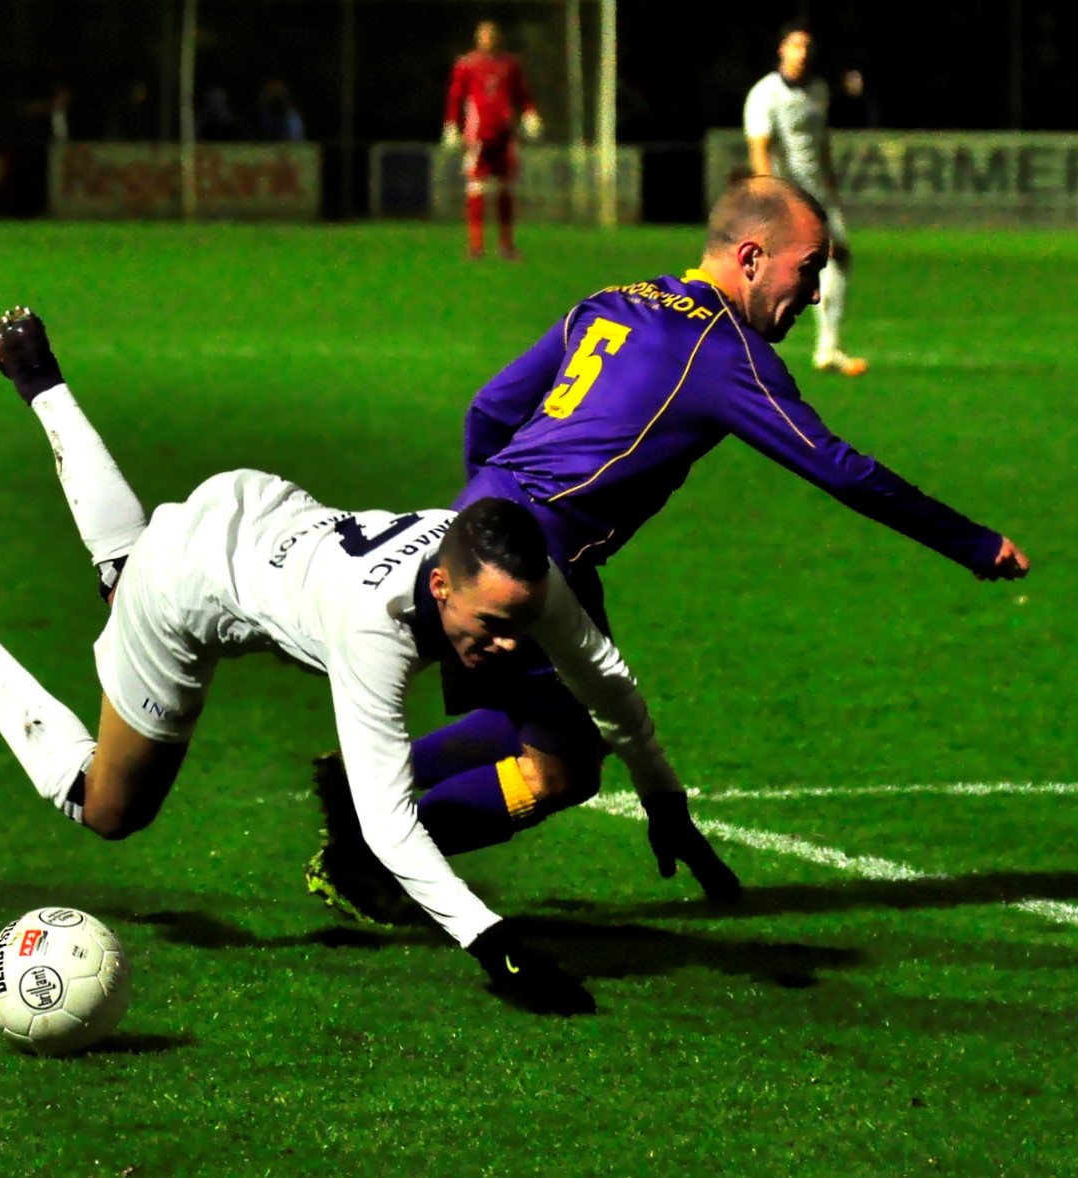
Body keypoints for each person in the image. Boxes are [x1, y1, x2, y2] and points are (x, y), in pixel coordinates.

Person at [0, 309, 711, 1015]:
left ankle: (37, 378)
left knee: (126, 561)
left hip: (255, 509)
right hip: (188, 591)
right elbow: (385, 820)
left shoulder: (516, 578)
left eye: (520, 625)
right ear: (444, 582)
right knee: (108, 806)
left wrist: (662, 793)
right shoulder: (373, 630)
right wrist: (495, 946)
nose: (506, 644)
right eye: (493, 625)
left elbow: (604, 678)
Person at [307, 175, 1030, 919]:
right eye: (808, 269)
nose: (814, 293)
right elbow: (840, 469)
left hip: (494, 525)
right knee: (565, 770)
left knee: (561, 710)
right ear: (752, 256)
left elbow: (490, 407)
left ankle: (352, 782)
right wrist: (970, 542)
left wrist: (480, 535)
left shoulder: (616, 299)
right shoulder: (724, 349)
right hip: (541, 551)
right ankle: (367, 851)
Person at [744, 20, 866, 377]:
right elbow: (760, 150)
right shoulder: (765, 94)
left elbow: (820, 141)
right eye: (796, 46)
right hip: (787, 195)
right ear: (781, 49)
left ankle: (828, 347)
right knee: (782, 268)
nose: (802, 53)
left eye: (807, 47)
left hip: (820, 193)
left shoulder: (818, 89)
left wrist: (830, 185)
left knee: (836, 258)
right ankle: (736, 341)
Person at [442, 20, 540, 261]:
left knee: (506, 187)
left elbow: (522, 93)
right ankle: (476, 246)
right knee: (476, 187)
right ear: (478, 38)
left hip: (504, 134)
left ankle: (506, 245)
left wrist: (530, 113)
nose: (489, 39)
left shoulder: (510, 65)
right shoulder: (466, 64)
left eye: (492, 35)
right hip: (478, 135)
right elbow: (456, 96)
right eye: (484, 36)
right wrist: (451, 125)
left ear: (498, 38)